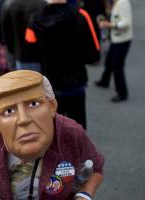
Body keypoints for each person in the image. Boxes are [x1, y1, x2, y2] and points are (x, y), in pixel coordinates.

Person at [0, 70, 104, 200]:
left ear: (52, 106)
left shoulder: (71, 133)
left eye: (33, 104)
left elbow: (95, 168)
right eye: (8, 111)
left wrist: (84, 195)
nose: (23, 119)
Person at [25, 0, 100, 129]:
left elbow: (30, 54)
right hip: (75, 82)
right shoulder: (81, 15)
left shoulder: (34, 19)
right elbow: (93, 55)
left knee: (53, 130)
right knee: (77, 129)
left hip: (50, 84)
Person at [95, 0, 133, 103]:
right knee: (109, 61)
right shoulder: (115, 2)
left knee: (118, 67)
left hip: (122, 41)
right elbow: (115, 17)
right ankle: (105, 81)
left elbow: (126, 23)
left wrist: (110, 25)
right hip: (116, 39)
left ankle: (122, 93)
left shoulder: (123, 3)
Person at [1, 0, 47, 72]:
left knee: (25, 81)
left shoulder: (9, 4)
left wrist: (13, 51)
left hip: (21, 56)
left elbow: (6, 35)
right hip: (42, 56)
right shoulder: (43, 4)